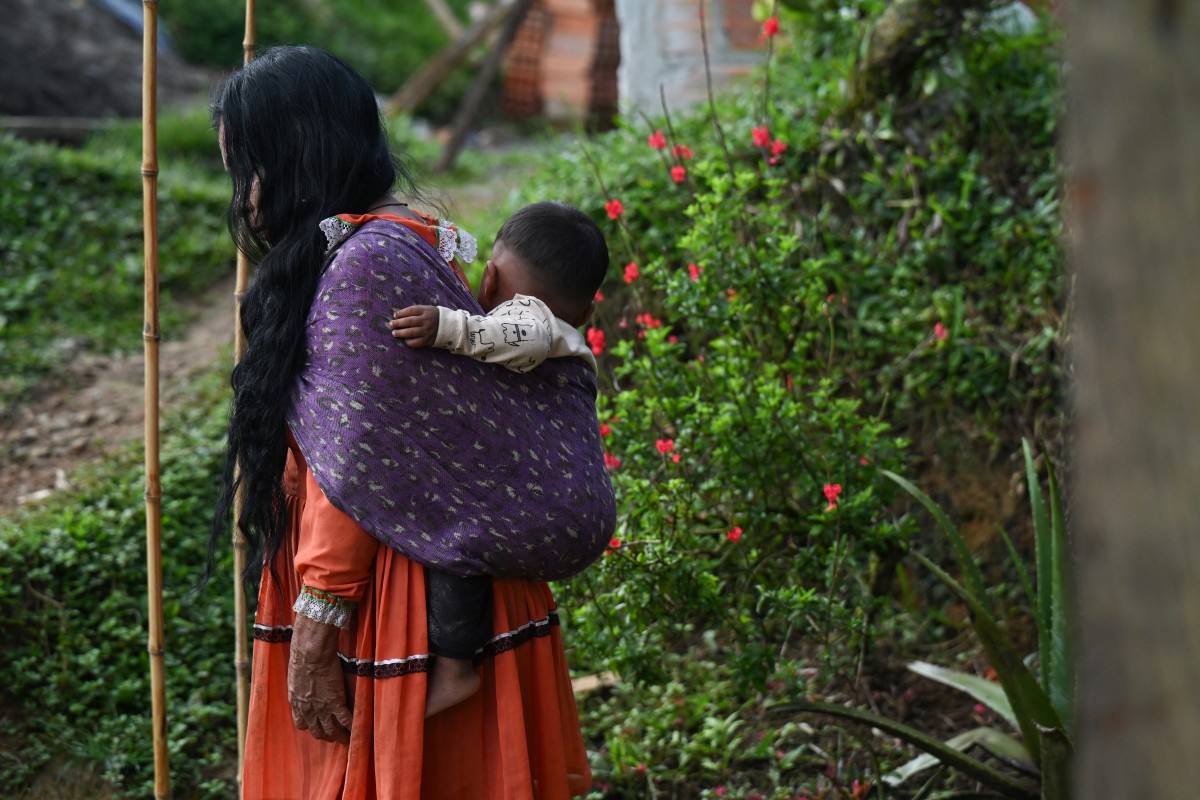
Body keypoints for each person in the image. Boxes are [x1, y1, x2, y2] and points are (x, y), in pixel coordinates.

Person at [208, 46, 615, 799]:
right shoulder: (379, 242)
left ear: (298, 156)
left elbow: (359, 457)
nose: (247, 198)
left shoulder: (368, 263)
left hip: (397, 603)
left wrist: (319, 622)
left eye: (251, 169)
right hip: (411, 577)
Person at [387, 200, 608, 716]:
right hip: (575, 509)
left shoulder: (535, 325)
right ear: (589, 313)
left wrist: (448, 327)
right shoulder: (567, 330)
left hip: (557, 500)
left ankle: (455, 667)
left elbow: (520, 335)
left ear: (488, 280)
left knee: (458, 540)